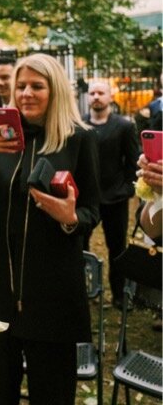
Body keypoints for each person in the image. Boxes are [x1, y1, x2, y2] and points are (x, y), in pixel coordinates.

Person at [0, 53, 100, 405]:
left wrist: (69, 218)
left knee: (52, 393)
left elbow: (91, 211)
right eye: (20, 86)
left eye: (37, 86)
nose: (26, 93)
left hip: (51, 293)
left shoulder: (78, 140)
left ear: (55, 91)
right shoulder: (0, 138)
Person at [82, 80, 140, 306]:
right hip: (86, 198)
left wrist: (126, 189)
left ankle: (119, 295)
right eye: (92, 93)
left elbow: (133, 161)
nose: (96, 96)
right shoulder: (80, 124)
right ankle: (84, 291)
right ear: (88, 96)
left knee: (117, 248)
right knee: (80, 246)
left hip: (115, 197)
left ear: (110, 96)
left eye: (100, 92)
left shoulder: (124, 126)